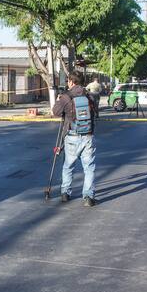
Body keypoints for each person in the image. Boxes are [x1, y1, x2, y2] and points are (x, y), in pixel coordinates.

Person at [52, 71, 97, 207]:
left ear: (71, 82)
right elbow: (95, 113)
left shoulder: (66, 96)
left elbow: (55, 112)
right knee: (89, 168)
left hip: (72, 135)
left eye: (68, 81)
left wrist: (59, 101)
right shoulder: (89, 96)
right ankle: (88, 196)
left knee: (68, 166)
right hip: (88, 135)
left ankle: (65, 193)